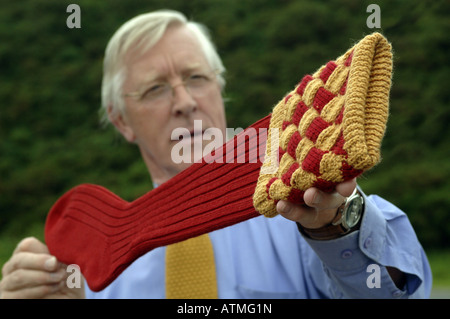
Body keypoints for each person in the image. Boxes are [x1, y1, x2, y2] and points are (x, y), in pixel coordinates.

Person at [0, 10, 432, 299]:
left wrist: (338, 228)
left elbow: (401, 291)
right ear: (121, 121)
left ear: (220, 89)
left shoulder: (298, 209)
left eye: (197, 78)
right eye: (155, 89)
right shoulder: (91, 274)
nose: (185, 101)